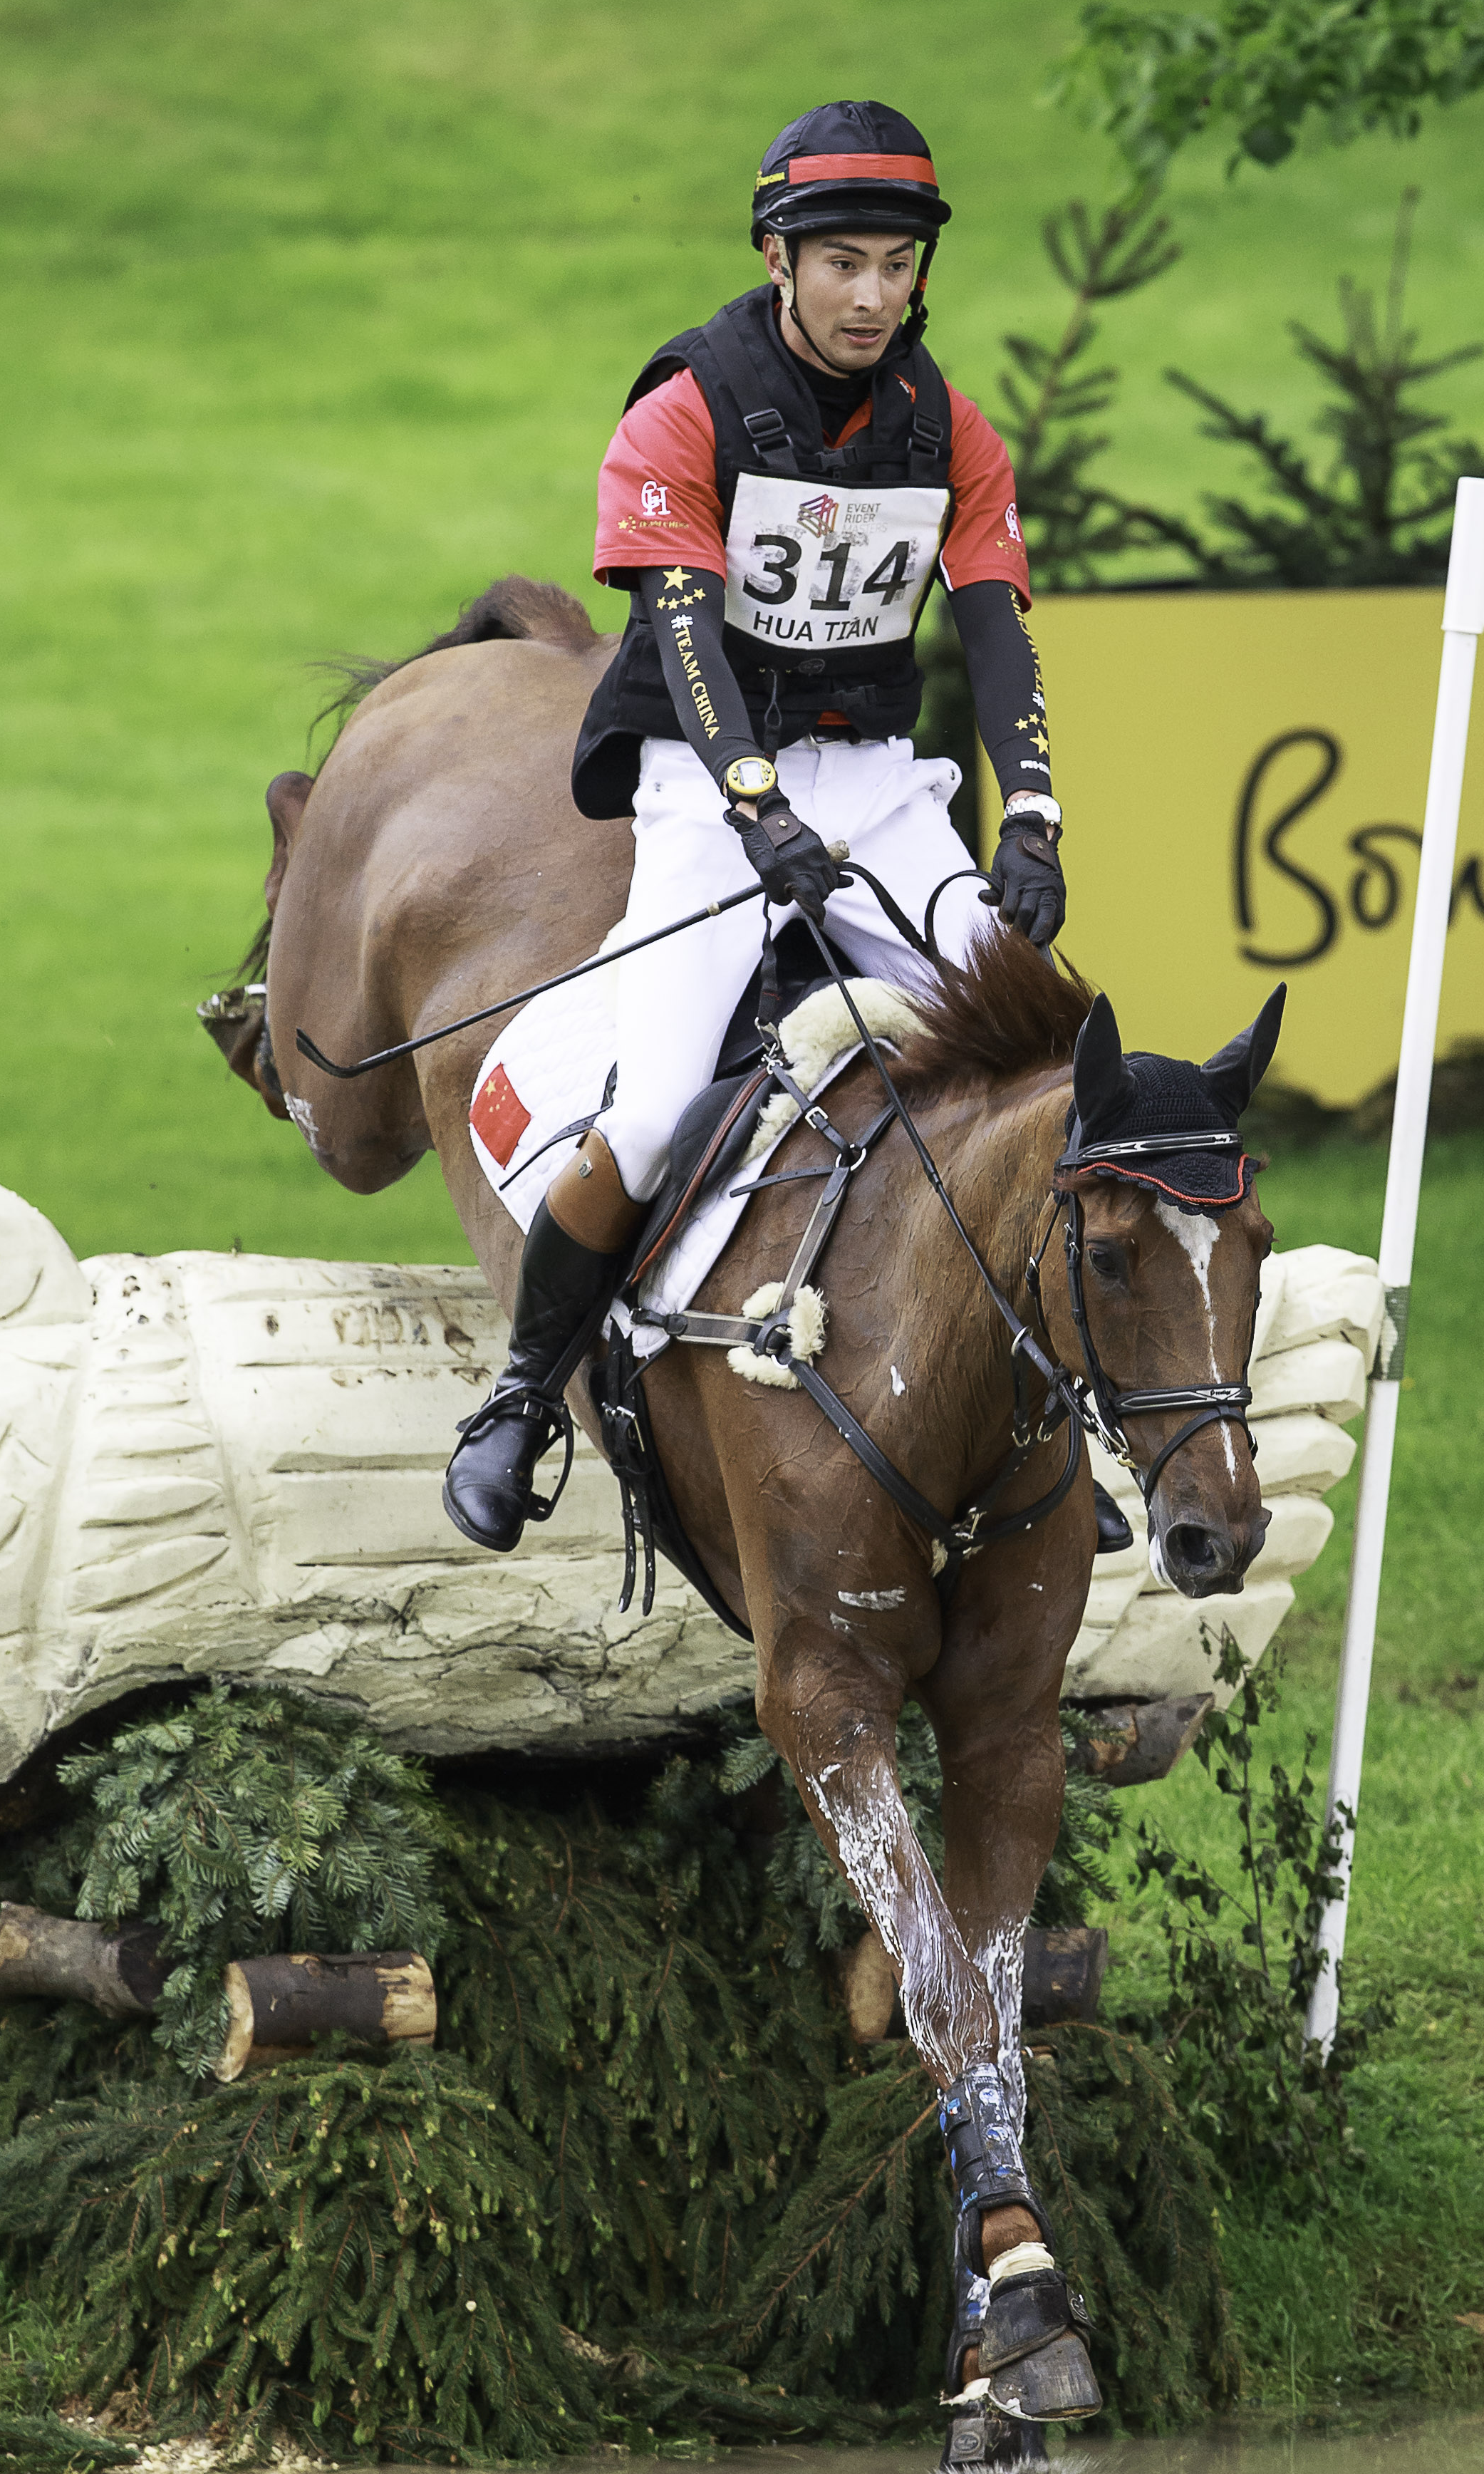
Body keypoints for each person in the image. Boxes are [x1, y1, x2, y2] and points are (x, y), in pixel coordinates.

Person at [445, 98, 1094, 1553]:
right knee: (661, 1092)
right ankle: (520, 1396)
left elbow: (993, 631)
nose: (872, 294)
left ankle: (1054, 1408)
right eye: (842, 262)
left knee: (1043, 1048)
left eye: (896, 264)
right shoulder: (683, 407)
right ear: (777, 257)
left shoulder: (952, 429)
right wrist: (753, 812)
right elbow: (683, 637)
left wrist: (1033, 813)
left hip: (868, 775)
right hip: (700, 767)